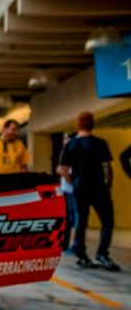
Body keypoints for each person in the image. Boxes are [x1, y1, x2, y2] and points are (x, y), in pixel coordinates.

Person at [57, 112, 119, 271]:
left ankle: (81, 254)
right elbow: (107, 168)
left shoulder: (71, 144)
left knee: (81, 222)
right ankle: (102, 253)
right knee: (107, 222)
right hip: (99, 188)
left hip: (80, 188)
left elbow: (62, 169)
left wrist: (73, 182)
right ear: (93, 125)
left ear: (78, 125)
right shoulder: (100, 143)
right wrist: (108, 185)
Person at [59, 133, 77, 254]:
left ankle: (74, 245)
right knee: (68, 220)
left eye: (67, 140)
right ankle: (64, 245)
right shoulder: (65, 153)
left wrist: (73, 183)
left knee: (76, 219)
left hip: (72, 191)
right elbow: (60, 169)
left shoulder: (74, 152)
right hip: (66, 190)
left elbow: (62, 170)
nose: (65, 142)